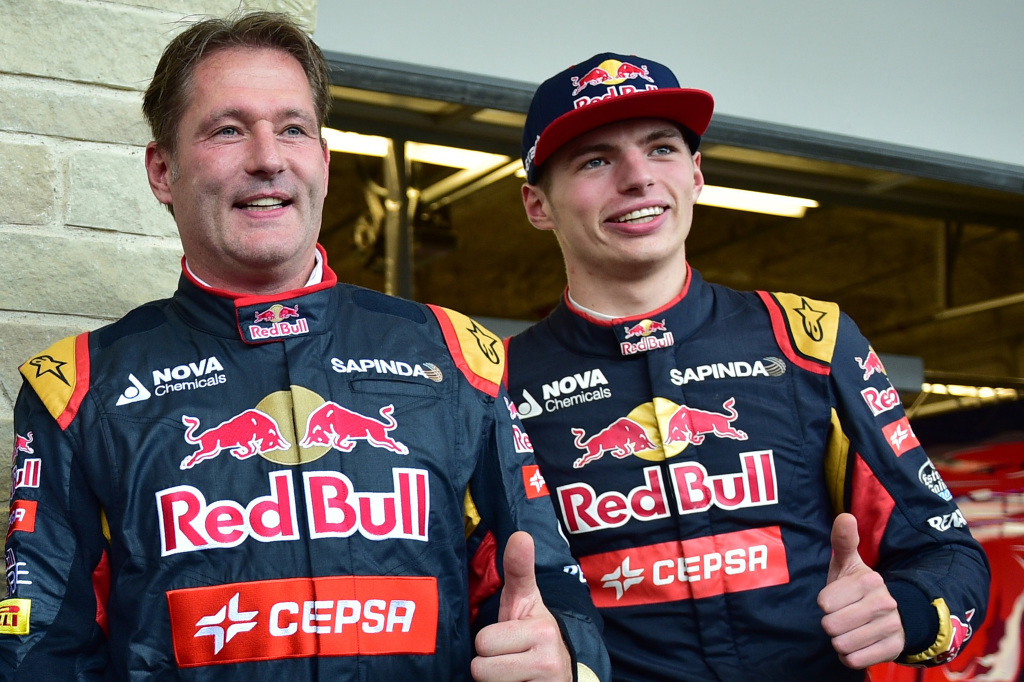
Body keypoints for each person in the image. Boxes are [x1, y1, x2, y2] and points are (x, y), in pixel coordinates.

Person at [0, 13, 609, 681]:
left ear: (321, 159)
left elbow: (546, 582)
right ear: (162, 170)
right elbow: (42, 647)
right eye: (228, 130)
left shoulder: (456, 355)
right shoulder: (78, 386)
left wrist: (567, 661)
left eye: (292, 128)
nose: (268, 157)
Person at [500, 52, 990, 681]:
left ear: (697, 173)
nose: (638, 178)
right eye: (595, 160)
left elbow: (946, 549)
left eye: (662, 149)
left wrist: (911, 612)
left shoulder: (810, 340)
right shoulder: (497, 382)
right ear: (537, 204)